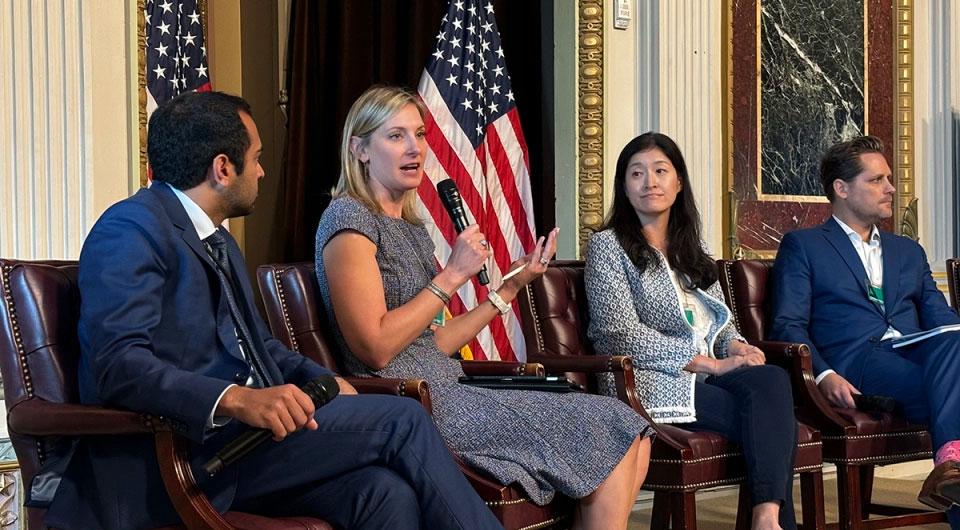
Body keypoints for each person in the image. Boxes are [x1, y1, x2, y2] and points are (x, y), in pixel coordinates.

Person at [43, 91, 502, 530]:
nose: (262, 172)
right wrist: (237, 399)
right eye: (257, 158)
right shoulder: (130, 229)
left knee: (382, 492)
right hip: (184, 453)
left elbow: (259, 346)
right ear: (223, 168)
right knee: (402, 419)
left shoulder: (217, 239)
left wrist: (323, 381)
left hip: (250, 447)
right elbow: (118, 365)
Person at [315, 85, 652, 530]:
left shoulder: (410, 228)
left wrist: (508, 291)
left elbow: (429, 344)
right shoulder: (349, 221)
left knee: (630, 429)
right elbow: (376, 349)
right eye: (396, 136)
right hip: (413, 406)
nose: (415, 147)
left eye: (419, 134)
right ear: (359, 148)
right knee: (614, 425)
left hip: (449, 385)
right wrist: (451, 276)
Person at [585, 132, 799, 530]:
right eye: (637, 173)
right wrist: (709, 365)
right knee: (769, 420)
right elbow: (618, 333)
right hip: (648, 381)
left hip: (708, 377)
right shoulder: (607, 246)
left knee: (770, 379)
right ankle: (771, 521)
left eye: (660, 171)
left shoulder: (692, 248)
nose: (650, 182)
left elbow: (720, 323)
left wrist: (736, 346)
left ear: (678, 182)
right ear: (624, 187)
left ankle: (766, 516)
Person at [770, 135, 960, 523]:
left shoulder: (908, 251)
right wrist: (822, 374)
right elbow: (787, 323)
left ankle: (951, 466)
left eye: (889, 178)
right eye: (877, 180)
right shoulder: (804, 246)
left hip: (922, 357)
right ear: (841, 189)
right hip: (859, 364)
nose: (891, 188)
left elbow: (941, 319)